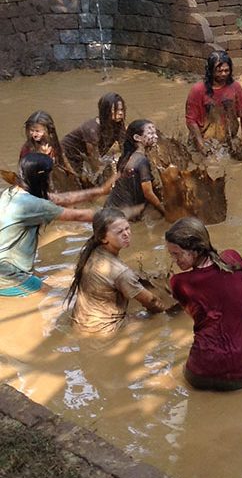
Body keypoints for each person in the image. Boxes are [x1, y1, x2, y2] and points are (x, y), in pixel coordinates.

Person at [166, 217, 242, 391]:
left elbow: (201, 317)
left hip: (199, 373)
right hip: (241, 376)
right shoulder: (233, 261)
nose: (174, 260)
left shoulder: (179, 283)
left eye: (176, 254)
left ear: (194, 250)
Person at [0, 154, 109, 297]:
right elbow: (79, 216)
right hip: (9, 277)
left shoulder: (10, 193)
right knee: (55, 299)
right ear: (42, 179)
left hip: (6, 268)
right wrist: (118, 215)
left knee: (49, 285)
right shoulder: (35, 204)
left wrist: (101, 191)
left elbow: (64, 198)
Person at [67, 208, 174, 334]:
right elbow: (151, 301)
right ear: (103, 238)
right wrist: (170, 311)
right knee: (158, 321)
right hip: (104, 330)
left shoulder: (93, 252)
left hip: (80, 322)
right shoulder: (121, 273)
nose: (126, 234)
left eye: (127, 228)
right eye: (119, 232)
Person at [185, 50, 242, 153]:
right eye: (219, 71)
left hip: (229, 140)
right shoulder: (198, 90)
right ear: (210, 71)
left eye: (226, 70)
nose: (223, 74)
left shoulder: (235, 87)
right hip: (205, 141)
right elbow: (191, 121)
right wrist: (201, 145)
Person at [105, 119, 166, 219]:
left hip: (110, 209)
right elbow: (148, 193)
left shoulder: (127, 156)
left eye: (155, 133)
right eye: (150, 133)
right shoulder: (141, 160)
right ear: (137, 138)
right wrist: (164, 212)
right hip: (122, 216)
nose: (156, 137)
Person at [62, 93, 127, 174]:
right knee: (78, 179)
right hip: (67, 154)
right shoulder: (92, 130)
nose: (120, 113)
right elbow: (94, 161)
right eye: (116, 110)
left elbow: (124, 146)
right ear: (105, 111)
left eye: (121, 109)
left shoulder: (118, 124)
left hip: (85, 155)